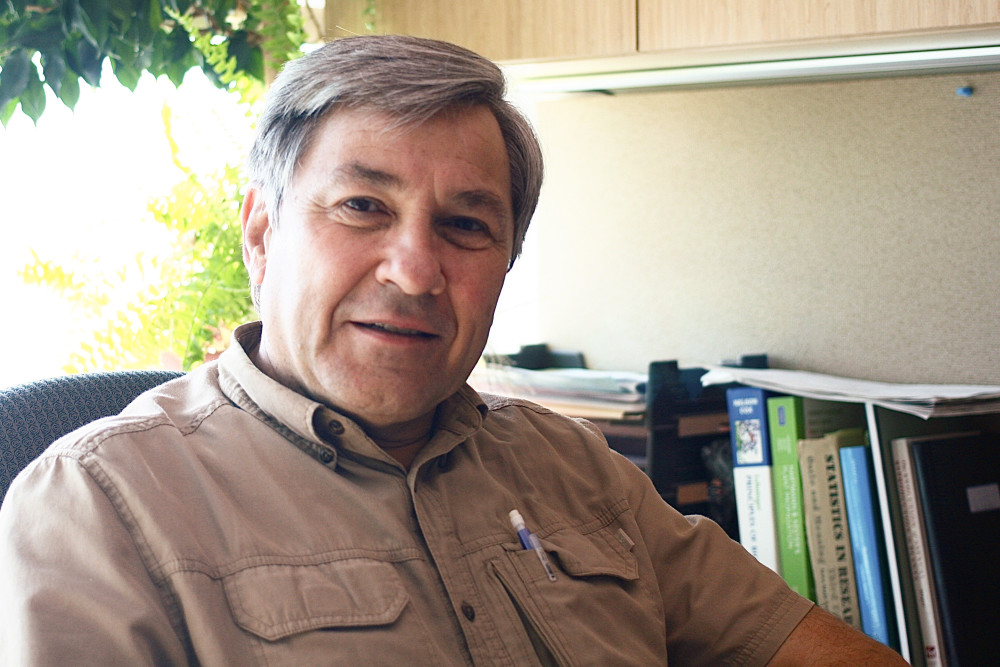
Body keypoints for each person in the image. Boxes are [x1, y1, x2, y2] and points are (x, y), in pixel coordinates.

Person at [0, 35, 906, 666]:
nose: (417, 269)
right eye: (363, 206)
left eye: (467, 225)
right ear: (264, 232)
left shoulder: (573, 467)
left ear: (507, 263)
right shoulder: (97, 505)